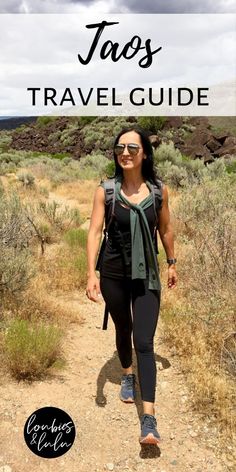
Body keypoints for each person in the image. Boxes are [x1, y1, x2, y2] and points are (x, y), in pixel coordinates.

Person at [86, 126, 177, 445]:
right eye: (119, 147)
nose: (124, 152)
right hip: (112, 273)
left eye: (132, 148)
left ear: (145, 154)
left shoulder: (158, 191)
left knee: (145, 341)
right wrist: (90, 273)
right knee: (123, 329)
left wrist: (171, 262)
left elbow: (166, 229)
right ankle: (127, 375)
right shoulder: (106, 190)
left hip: (148, 274)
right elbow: (95, 231)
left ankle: (149, 420)